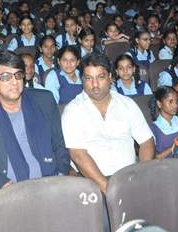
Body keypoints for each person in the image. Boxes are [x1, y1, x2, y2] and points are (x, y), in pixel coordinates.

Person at [0, 51, 70, 226]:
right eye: (5, 76)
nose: (14, 81)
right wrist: (3, 185)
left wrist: (61, 174)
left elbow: (60, 146)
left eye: (18, 74)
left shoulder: (44, 100)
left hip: (51, 187)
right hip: (4, 195)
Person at [61, 53, 154, 194]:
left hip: (130, 177)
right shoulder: (73, 110)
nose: (95, 84)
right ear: (82, 80)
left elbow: (146, 141)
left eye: (101, 77)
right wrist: (108, 188)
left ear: (110, 77)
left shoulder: (127, 104)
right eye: (88, 78)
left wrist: (141, 176)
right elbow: (78, 155)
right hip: (92, 184)